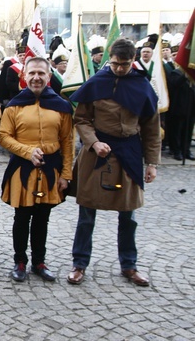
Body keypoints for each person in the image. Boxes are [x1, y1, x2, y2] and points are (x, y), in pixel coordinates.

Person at [67, 38, 160, 287]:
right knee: (87, 214)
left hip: (128, 152)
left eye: (126, 64)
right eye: (117, 63)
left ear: (133, 60)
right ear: (110, 58)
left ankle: (129, 265)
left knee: (128, 215)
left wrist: (151, 163)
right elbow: (82, 119)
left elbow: (152, 127)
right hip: (97, 151)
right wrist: (94, 142)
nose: (120, 68)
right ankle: (79, 264)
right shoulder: (96, 83)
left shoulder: (142, 85)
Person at [0, 57, 73, 282]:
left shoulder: (62, 106)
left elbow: (68, 142)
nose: (36, 77)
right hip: (23, 170)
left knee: (43, 218)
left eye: (41, 73)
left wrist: (67, 175)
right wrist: (26, 151)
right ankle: (20, 261)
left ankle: (39, 261)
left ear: (48, 76)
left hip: (51, 170)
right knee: (22, 218)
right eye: (32, 73)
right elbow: (4, 137)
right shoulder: (14, 106)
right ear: (25, 76)